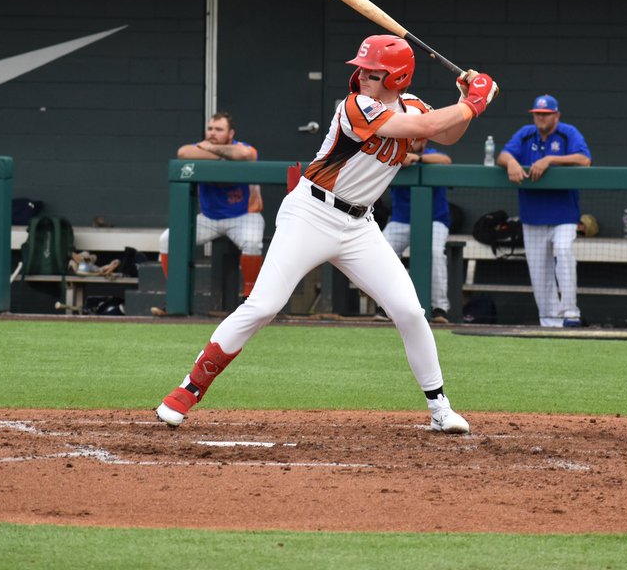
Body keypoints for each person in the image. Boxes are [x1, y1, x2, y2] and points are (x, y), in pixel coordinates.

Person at [156, 35, 498, 434]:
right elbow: (427, 125)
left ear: (398, 77)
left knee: (408, 311)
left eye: (374, 72)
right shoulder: (355, 107)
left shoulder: (414, 105)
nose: (362, 76)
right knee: (264, 306)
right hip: (311, 213)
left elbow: (444, 133)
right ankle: (189, 389)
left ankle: (440, 408)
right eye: (362, 69)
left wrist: (464, 102)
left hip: (360, 226)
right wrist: (472, 102)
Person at [495, 94, 591, 327]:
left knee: (563, 250)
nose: (540, 117)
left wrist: (550, 159)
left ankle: (570, 314)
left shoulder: (568, 132)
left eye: (546, 114)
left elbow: (584, 160)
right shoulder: (526, 133)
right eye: (537, 113)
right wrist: (512, 162)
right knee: (539, 270)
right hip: (533, 215)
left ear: (556, 115)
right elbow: (502, 155)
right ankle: (549, 320)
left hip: (564, 214)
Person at [157, 112, 264, 302]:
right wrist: (221, 154)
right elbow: (183, 153)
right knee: (167, 239)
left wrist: (211, 151)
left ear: (231, 134)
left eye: (219, 129)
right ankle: (174, 294)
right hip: (208, 218)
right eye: (210, 129)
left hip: (243, 215)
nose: (213, 133)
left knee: (253, 243)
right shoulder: (198, 147)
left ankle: (251, 296)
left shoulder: (242, 147)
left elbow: (245, 154)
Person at [380, 138, 452, 324]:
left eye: (419, 138)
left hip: (434, 219)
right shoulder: (394, 153)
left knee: (435, 253)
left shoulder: (430, 154)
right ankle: (387, 306)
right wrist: (399, 159)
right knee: (383, 251)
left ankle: (439, 308)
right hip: (401, 220)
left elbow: (446, 161)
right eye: (413, 138)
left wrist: (417, 159)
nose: (416, 141)